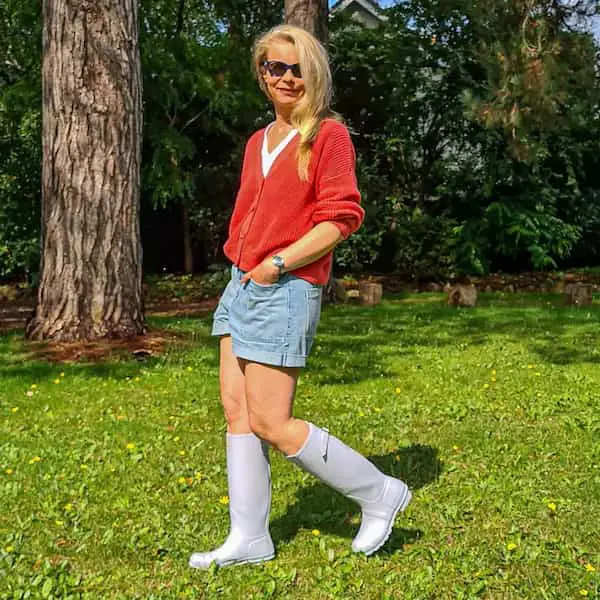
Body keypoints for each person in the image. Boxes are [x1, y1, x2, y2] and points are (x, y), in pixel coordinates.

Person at [189, 24, 412, 570]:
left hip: (284, 285)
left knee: (271, 420)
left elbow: (341, 218)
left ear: (312, 73)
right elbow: (251, 211)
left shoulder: (327, 135)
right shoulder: (256, 141)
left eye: (296, 68)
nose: (285, 78)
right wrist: (245, 263)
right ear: (261, 74)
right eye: (274, 67)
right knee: (237, 412)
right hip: (242, 282)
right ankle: (250, 536)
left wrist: (277, 263)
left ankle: (379, 492)